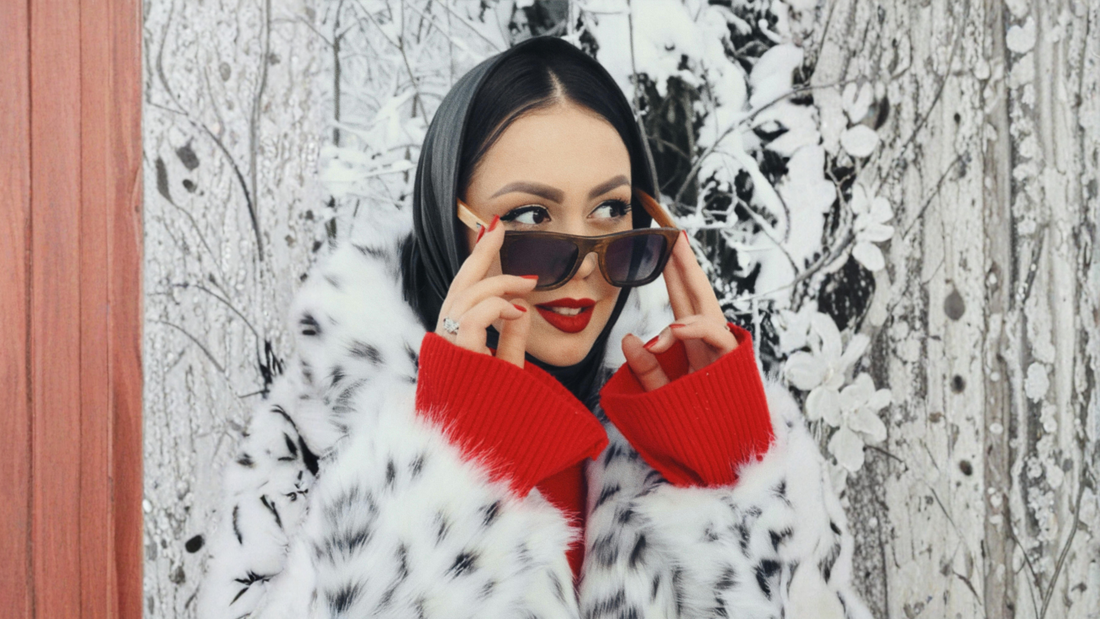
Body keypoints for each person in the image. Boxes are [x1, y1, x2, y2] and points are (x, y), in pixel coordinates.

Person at [198, 36, 871, 619]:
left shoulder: (699, 438)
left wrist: (732, 474)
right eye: (528, 219)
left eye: (611, 209)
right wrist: (445, 465)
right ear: (449, 220)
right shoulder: (322, 431)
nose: (582, 264)